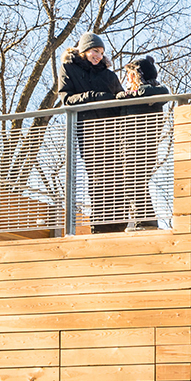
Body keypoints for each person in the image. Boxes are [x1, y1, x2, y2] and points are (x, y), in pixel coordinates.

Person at [55, 32, 125, 232]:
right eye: (95, 51)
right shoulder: (69, 68)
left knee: (116, 177)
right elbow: (67, 99)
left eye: (102, 53)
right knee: (97, 176)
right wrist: (93, 96)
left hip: (112, 131)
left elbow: (118, 95)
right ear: (84, 49)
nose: (98, 56)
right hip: (88, 130)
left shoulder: (109, 75)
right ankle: (100, 225)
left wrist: (123, 95)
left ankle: (117, 224)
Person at [116, 56, 171, 230]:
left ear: (139, 75)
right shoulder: (129, 96)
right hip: (127, 148)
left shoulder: (153, 91)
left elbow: (164, 93)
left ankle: (146, 222)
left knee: (133, 182)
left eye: (130, 75)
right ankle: (142, 220)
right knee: (130, 183)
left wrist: (134, 93)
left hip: (142, 148)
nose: (128, 79)